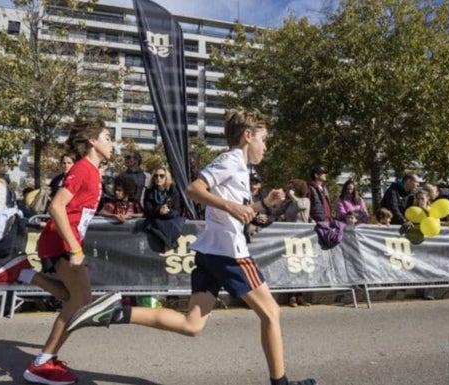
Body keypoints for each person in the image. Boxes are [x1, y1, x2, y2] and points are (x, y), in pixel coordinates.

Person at [65, 108, 316, 385]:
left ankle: (114, 311)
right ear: (247, 136)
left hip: (211, 251)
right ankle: (281, 383)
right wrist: (232, 206)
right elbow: (194, 189)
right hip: (229, 252)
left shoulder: (240, 167)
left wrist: (265, 204)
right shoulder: (231, 160)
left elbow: (236, 211)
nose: (266, 146)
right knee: (272, 312)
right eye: (264, 139)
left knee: (192, 324)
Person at [0, 117, 114, 385]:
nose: (112, 143)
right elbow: (56, 207)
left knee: (75, 298)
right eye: (107, 137)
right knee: (80, 300)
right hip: (62, 242)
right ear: (92, 141)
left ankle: (25, 274)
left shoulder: (92, 170)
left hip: (62, 241)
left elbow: (79, 209)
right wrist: (76, 247)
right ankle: (42, 362)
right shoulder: (82, 168)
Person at [278, 178, 311, 307]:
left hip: (302, 238)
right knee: (291, 266)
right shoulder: (288, 203)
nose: (289, 189)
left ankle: (300, 295)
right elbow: (277, 212)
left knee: (301, 266)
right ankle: (291, 296)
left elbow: (300, 207)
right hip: (289, 237)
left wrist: (292, 196)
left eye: (292, 187)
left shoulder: (305, 200)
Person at [142, 166, 184, 250]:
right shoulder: (149, 191)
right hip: (154, 219)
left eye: (162, 176)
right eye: (156, 176)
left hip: (170, 218)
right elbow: (147, 210)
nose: (158, 178)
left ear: (166, 177)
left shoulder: (173, 190)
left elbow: (177, 210)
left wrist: (168, 212)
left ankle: (169, 243)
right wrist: (159, 210)